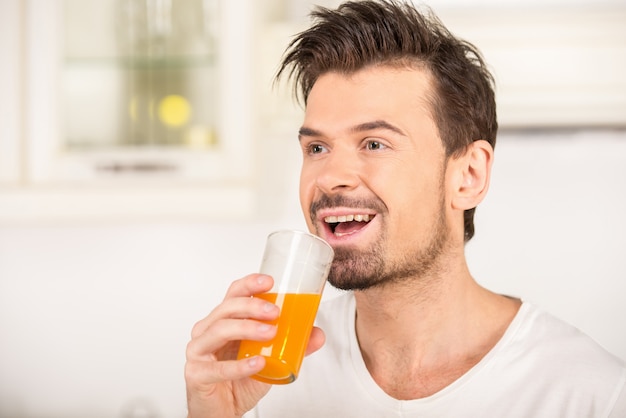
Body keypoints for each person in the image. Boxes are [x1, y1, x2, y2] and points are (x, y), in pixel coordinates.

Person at [184, 1, 626, 416]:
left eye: (374, 143)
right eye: (317, 147)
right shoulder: (260, 373)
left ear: (468, 176)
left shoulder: (593, 396)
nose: (330, 176)